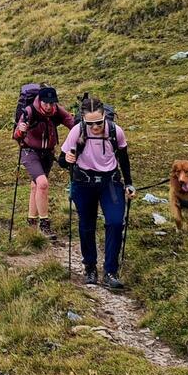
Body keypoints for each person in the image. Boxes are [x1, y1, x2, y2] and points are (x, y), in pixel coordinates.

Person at [59, 93, 134, 289]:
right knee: (86, 225)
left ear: (105, 117)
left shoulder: (115, 131)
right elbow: (61, 160)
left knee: (116, 223)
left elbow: (124, 159)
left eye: (99, 122)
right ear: (83, 120)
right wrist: (67, 159)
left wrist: (129, 183)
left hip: (110, 182)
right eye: (90, 124)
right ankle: (90, 268)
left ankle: (110, 272)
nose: (95, 127)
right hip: (84, 183)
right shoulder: (77, 131)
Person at [13, 86, 75, 237]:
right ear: (40, 101)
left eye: (52, 103)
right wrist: (21, 129)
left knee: (36, 186)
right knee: (42, 184)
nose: (49, 106)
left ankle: (31, 222)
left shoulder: (57, 111)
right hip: (30, 152)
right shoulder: (29, 111)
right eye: (46, 103)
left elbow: (73, 125)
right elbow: (16, 135)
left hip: (48, 153)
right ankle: (44, 225)